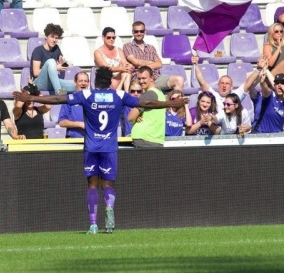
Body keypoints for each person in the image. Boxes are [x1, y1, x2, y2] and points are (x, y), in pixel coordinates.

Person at [12, 67, 186, 234]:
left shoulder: (87, 95)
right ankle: (109, 207)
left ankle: (93, 224)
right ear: (110, 81)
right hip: (109, 147)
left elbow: (58, 100)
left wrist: (31, 98)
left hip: (91, 146)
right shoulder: (118, 95)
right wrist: (170, 103)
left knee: (92, 184)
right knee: (108, 184)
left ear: (95, 81)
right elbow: (146, 102)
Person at [123, 21, 184, 92]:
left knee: (179, 80)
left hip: (155, 78)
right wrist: (151, 63)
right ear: (132, 32)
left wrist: (143, 65)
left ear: (145, 32)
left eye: (141, 31)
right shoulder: (128, 46)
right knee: (142, 87)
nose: (139, 33)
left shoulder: (151, 47)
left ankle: (177, 102)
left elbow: (159, 64)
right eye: (136, 31)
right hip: (139, 79)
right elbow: (135, 62)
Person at [192, 54, 267, 111]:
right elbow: (202, 82)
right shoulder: (213, 95)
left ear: (231, 87)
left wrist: (258, 69)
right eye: (222, 83)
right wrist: (195, 64)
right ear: (218, 86)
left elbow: (248, 83)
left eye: (227, 84)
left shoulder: (235, 95)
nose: (224, 86)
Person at [128, 66, 172, 146]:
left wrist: (136, 117)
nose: (141, 81)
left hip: (145, 137)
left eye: (144, 78)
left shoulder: (148, 94)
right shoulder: (160, 93)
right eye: (139, 78)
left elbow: (130, 117)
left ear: (152, 78)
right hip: (154, 138)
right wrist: (138, 116)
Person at [30, 23, 77, 95]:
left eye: (56, 38)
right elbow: (36, 73)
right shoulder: (38, 50)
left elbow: (61, 62)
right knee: (51, 61)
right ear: (46, 36)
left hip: (52, 82)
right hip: (39, 82)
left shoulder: (56, 48)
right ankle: (59, 91)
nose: (54, 40)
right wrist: (55, 67)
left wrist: (63, 62)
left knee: (78, 85)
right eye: (52, 37)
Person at [94, 27, 132, 91]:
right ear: (103, 38)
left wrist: (127, 66)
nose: (111, 39)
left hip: (119, 76)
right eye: (108, 37)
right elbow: (106, 69)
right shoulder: (98, 53)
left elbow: (125, 63)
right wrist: (121, 68)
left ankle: (126, 93)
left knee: (127, 72)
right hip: (106, 77)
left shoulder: (119, 50)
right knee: (114, 81)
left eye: (113, 37)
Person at [58, 71, 90, 138]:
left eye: (85, 81)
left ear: (88, 83)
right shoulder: (69, 99)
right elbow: (62, 122)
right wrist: (80, 124)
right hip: (74, 139)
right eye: (80, 81)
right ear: (75, 83)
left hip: (91, 139)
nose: (83, 83)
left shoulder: (93, 99)